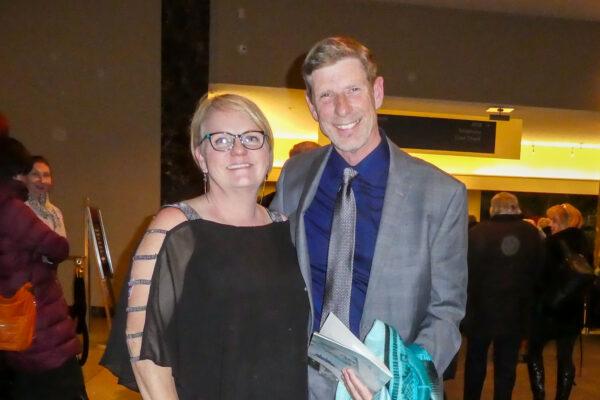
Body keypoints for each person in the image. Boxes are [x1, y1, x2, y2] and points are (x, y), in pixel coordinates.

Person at [271, 36, 468, 400]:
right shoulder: (294, 177)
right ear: (312, 106)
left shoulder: (441, 194)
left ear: (377, 92)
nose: (342, 109)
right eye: (326, 96)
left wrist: (403, 376)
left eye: (353, 90)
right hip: (296, 383)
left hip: (386, 389)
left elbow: (446, 310)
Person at [101, 93, 309, 399]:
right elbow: (143, 347)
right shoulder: (174, 228)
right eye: (222, 140)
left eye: (252, 138)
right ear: (201, 156)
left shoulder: (286, 229)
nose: (239, 150)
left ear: (268, 150)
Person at [0, 136, 87, 399]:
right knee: (60, 385)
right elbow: (58, 247)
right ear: (16, 173)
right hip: (39, 319)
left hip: (11, 320)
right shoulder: (12, 210)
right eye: (29, 172)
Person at [462, 192, 543, 400]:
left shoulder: (476, 232)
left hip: (479, 311)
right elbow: (539, 273)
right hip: (514, 313)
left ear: (492, 209)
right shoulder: (531, 234)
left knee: (475, 361)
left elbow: (464, 272)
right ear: (516, 208)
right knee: (506, 366)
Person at [527, 203, 592, 400]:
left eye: (554, 221)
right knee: (565, 356)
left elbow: (540, 277)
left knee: (534, 352)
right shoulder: (585, 243)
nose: (551, 225)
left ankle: (540, 395)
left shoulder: (551, 244)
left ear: (563, 222)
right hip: (572, 309)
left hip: (547, 309)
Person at [24, 156, 67, 237]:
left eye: (46, 175)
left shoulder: (56, 212)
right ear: (24, 178)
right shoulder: (20, 209)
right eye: (35, 174)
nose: (42, 180)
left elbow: (62, 246)